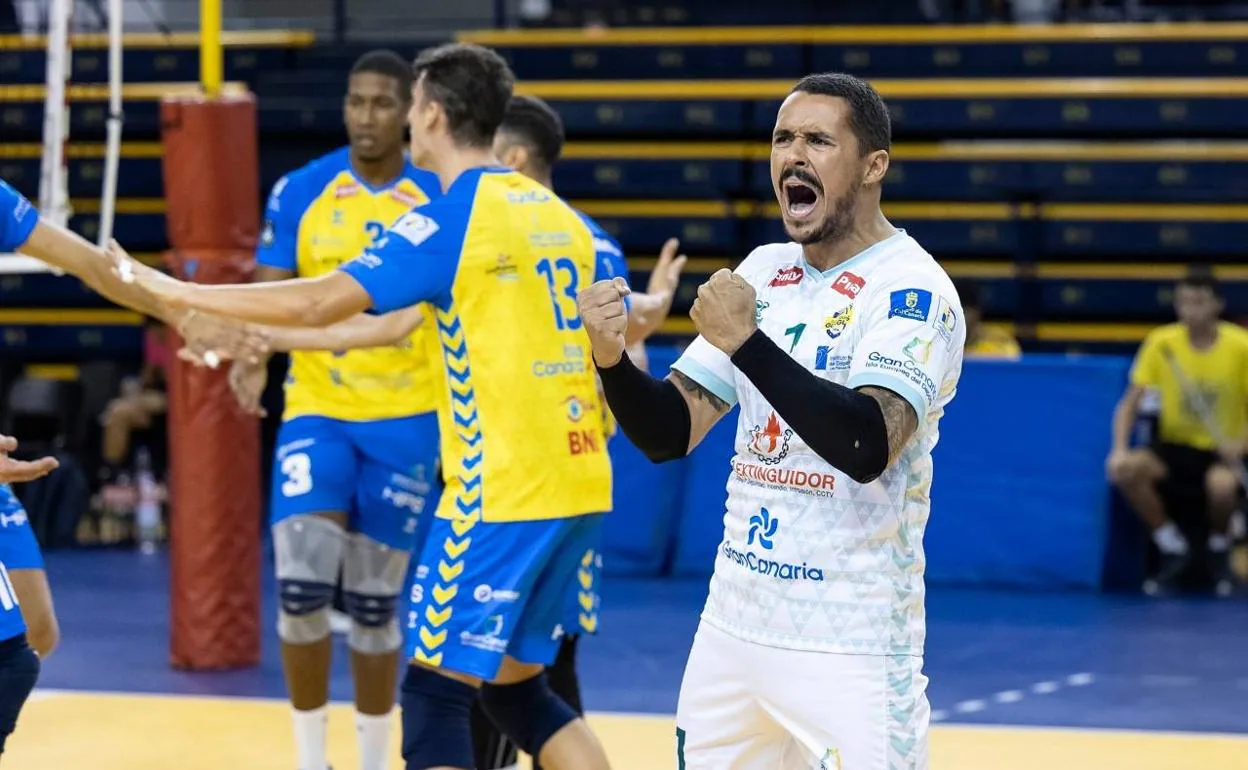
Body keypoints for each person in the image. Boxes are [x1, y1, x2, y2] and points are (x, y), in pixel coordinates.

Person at [111, 42, 616, 770]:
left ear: (432, 114)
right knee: (518, 692)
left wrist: (173, 294)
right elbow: (384, 322)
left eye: (410, 106)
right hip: (579, 480)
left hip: (503, 490)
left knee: (434, 697)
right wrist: (256, 332)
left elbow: (322, 298)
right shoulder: (558, 217)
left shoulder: (451, 217)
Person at [578, 72, 965, 770]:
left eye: (819, 140)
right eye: (783, 138)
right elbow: (670, 433)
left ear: (874, 165)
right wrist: (610, 361)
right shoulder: (765, 271)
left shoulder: (911, 290)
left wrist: (748, 342)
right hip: (734, 629)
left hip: (850, 641)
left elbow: (865, 443)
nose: (794, 155)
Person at [218, 49, 445, 770]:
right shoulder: (302, 189)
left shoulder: (439, 196)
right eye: (355, 102)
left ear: (409, 112)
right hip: (317, 409)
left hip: (408, 417)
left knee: (376, 609)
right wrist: (252, 358)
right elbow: (270, 293)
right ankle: (311, 760)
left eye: (382, 103)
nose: (366, 116)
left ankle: (375, 760)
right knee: (302, 583)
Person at [470, 93, 687, 770]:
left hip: (508, 480)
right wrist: (648, 313)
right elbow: (625, 358)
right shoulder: (594, 242)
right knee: (543, 666)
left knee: (489, 671)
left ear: (511, 159)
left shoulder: (492, 235)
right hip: (573, 478)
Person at [1106, 271, 1247, 598]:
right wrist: (1119, 448)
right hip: (1172, 447)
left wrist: (1240, 445)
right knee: (1127, 471)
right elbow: (1129, 404)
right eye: (1183, 302)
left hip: (1219, 452)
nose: (1189, 310)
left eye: (1198, 302)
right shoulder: (1162, 343)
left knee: (1223, 487)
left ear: (1218, 305)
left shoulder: (1241, 346)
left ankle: (1218, 548)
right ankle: (1172, 546)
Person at [953, 278, 1021, 359]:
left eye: (965, 311)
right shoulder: (942, 341)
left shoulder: (999, 342)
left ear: (977, 313)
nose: (961, 317)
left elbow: (1013, 362)